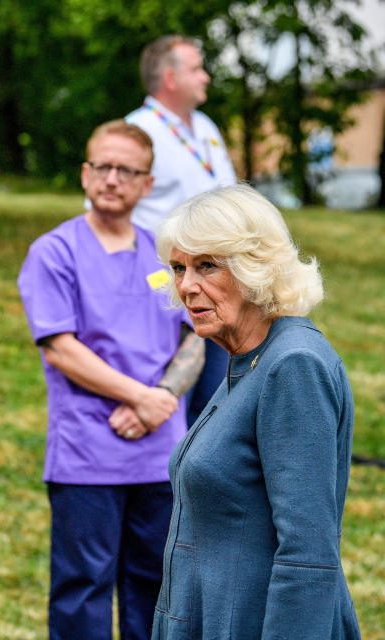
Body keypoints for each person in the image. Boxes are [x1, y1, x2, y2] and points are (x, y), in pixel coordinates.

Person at [18, 120, 205, 640]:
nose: (113, 178)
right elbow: (61, 349)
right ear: (84, 173)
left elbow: (197, 335)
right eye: (102, 166)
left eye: (128, 170)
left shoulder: (166, 256)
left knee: (158, 590)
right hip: (87, 455)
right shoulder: (54, 252)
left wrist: (162, 398)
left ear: (148, 184)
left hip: (160, 455)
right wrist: (142, 397)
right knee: (83, 593)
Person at [151, 184, 360, 639]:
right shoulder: (248, 358)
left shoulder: (293, 365)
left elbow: (307, 553)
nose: (186, 286)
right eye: (179, 268)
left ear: (255, 268)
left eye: (207, 265)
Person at [127, 35, 237, 426]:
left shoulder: (205, 127)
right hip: (162, 289)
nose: (206, 76)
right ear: (170, 77)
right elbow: (109, 215)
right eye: (196, 68)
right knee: (173, 400)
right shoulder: (138, 133)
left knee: (217, 396)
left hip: (219, 282)